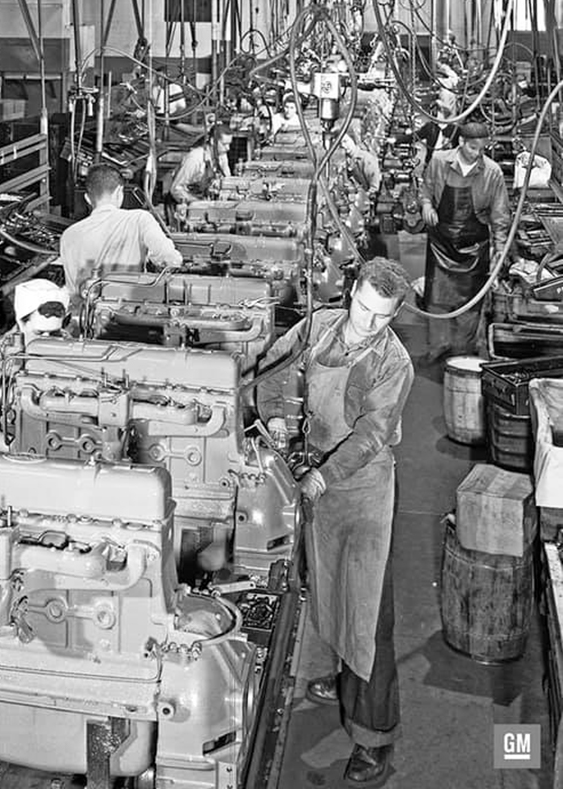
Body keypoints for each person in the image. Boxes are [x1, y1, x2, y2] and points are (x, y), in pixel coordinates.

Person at [256, 257, 413, 786]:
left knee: (368, 612)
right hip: (312, 474)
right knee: (325, 589)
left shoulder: (395, 363)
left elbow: (371, 435)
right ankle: (345, 678)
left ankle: (374, 736)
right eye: (363, 308)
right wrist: (282, 429)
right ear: (352, 293)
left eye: (381, 317)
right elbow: (273, 376)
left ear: (395, 316)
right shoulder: (318, 327)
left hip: (363, 489)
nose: (367, 324)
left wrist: (321, 476)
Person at [420, 120, 511, 360]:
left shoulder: (492, 172)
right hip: (441, 243)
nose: (478, 154)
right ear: (461, 142)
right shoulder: (440, 161)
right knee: (436, 300)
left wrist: (499, 252)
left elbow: (500, 216)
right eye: (473, 148)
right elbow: (426, 190)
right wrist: (427, 206)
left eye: (482, 149)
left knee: (470, 304)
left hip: (474, 248)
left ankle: (462, 352)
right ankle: (437, 346)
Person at [0, 278, 70, 452]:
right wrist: (30, 448)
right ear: (21, 322)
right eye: (39, 333)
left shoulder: (70, 345)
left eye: (54, 333)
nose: (47, 340)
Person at [60, 163, 182, 304]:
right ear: (119, 192)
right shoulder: (139, 219)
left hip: (87, 317)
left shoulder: (69, 235)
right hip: (129, 313)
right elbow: (173, 260)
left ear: (87, 198)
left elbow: (73, 292)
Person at [168, 123, 233, 214]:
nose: (228, 148)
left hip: (205, 200)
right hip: (184, 205)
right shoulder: (195, 159)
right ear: (212, 141)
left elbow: (227, 180)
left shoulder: (221, 155)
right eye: (224, 144)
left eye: (229, 144)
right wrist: (197, 202)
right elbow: (176, 189)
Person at [341, 122, 382, 197]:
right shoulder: (344, 161)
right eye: (340, 144)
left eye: (345, 141)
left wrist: (363, 198)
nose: (343, 146)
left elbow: (374, 188)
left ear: (353, 139)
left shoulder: (366, 159)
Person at [414, 101, 458, 171]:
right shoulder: (430, 127)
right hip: (431, 165)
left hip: (447, 167)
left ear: (444, 115)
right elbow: (414, 136)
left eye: (435, 113)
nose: (432, 116)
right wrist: (395, 139)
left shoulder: (455, 130)